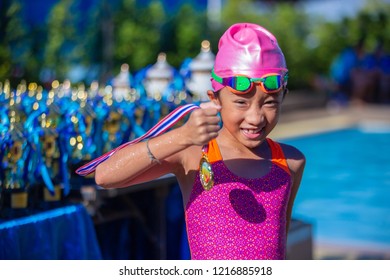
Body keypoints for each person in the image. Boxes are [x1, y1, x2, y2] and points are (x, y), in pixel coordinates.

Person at [94, 22, 306, 260]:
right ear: (215, 99)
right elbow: (105, 176)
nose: (255, 117)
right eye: (241, 102)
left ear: (283, 97)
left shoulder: (290, 162)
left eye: (270, 103)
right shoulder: (194, 155)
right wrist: (182, 136)